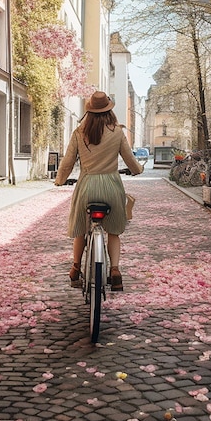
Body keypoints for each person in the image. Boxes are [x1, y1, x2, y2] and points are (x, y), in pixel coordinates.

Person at [54, 91, 143, 291]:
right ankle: (115, 271)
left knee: (81, 231)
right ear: (109, 110)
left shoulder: (79, 133)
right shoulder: (117, 132)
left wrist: (60, 180)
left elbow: (68, 162)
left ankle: (76, 268)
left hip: (87, 187)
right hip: (112, 187)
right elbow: (130, 160)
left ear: (89, 111)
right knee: (113, 232)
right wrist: (138, 170)